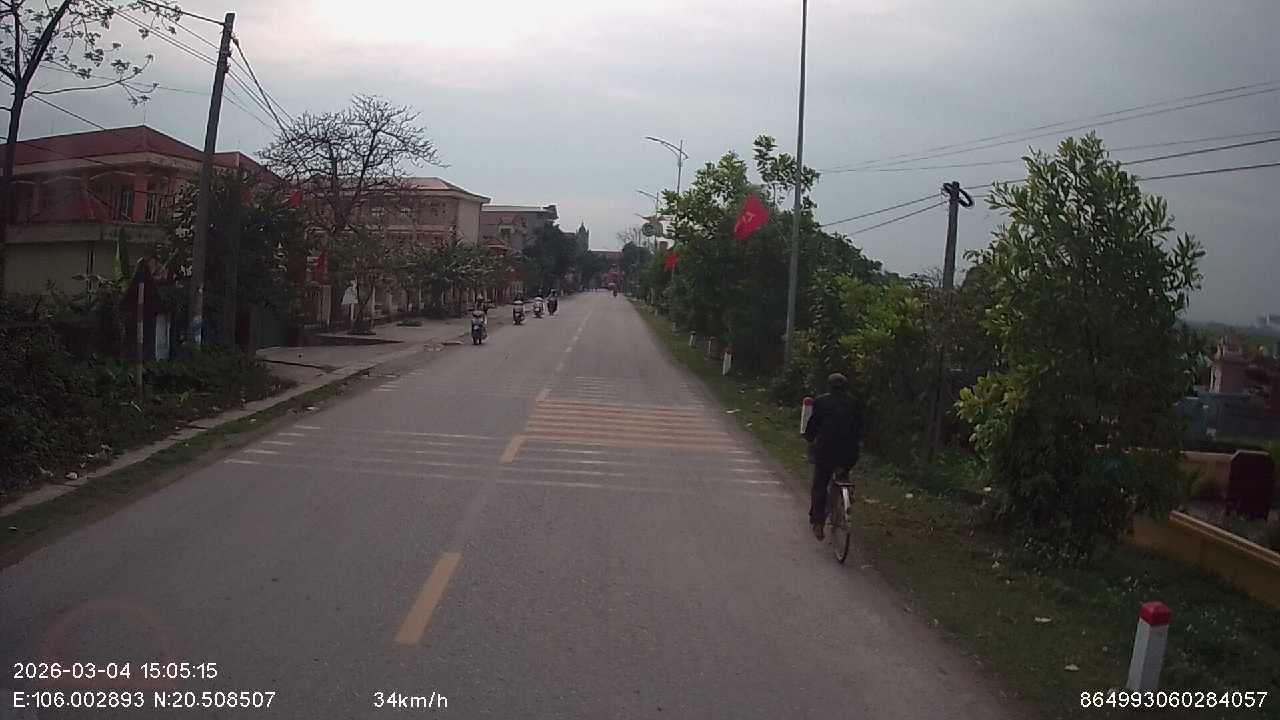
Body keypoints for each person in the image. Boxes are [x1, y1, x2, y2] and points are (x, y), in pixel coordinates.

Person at [803, 373, 863, 540]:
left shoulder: (821, 402)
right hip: (849, 454)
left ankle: (818, 522)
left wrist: (809, 438)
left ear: (829, 387)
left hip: (826, 452)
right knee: (842, 473)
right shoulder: (855, 403)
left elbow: (813, 426)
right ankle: (845, 495)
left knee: (820, 484)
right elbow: (859, 428)